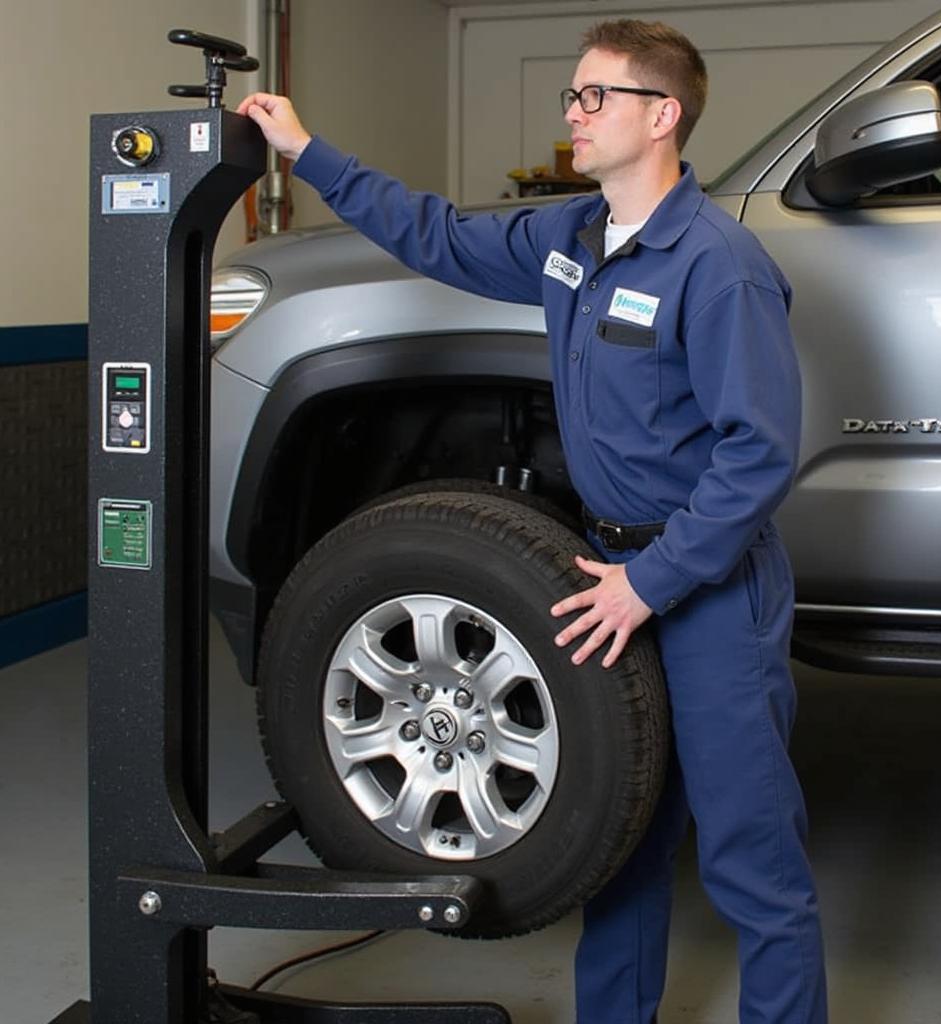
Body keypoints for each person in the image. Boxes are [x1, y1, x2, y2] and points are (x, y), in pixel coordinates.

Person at [239, 18, 827, 1024]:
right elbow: (431, 232)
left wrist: (652, 583)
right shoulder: (569, 238)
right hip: (600, 574)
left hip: (703, 591)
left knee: (748, 856)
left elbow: (756, 452)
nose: (573, 115)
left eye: (594, 96)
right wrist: (305, 151)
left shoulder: (715, 264)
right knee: (619, 834)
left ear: (662, 115)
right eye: (570, 96)